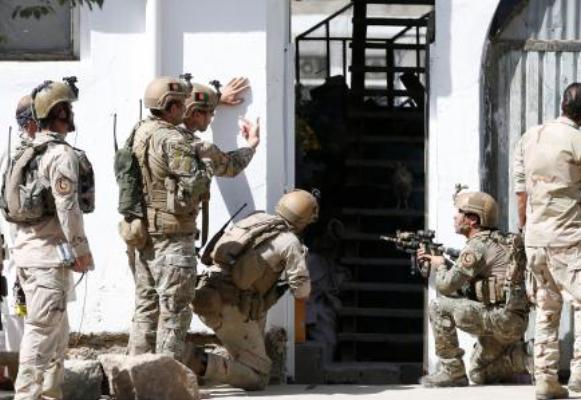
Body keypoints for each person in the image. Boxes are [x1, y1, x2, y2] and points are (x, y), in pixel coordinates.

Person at [9, 79, 94, 400]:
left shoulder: (25, 153)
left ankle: (49, 394)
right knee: (42, 333)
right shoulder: (58, 154)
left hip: (32, 255)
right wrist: (82, 250)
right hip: (48, 259)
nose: (72, 114)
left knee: (57, 334)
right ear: (59, 113)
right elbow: (68, 207)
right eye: (68, 108)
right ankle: (27, 396)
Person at [187, 189, 317, 390]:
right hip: (230, 306)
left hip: (206, 289)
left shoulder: (255, 219)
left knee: (249, 337)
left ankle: (198, 369)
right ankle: (194, 360)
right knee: (259, 377)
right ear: (304, 221)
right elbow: (301, 291)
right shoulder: (290, 242)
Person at [126, 76, 210, 362]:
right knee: (175, 312)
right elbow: (196, 183)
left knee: (145, 310)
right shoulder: (173, 139)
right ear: (171, 107)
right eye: (182, 104)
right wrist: (206, 163)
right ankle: (165, 377)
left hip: (145, 235)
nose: (185, 110)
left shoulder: (140, 131)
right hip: (173, 238)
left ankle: (134, 373)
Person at [418, 191, 530, 387]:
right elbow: (471, 288)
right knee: (478, 373)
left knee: (438, 306)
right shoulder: (502, 240)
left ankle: (451, 371)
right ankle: (521, 357)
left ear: (473, 219)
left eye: (460, 212)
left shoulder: (477, 247)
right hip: (514, 322)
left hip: (499, 318)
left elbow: (445, 287)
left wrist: (440, 265)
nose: (455, 217)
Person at [513, 82, 581, 400]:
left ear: (562, 105)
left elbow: (521, 193)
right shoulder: (577, 140)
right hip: (570, 237)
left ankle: (545, 379)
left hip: (536, 239)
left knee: (546, 307)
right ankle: (579, 375)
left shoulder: (530, 137)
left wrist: (526, 229)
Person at [179, 79, 260, 243]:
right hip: (176, 240)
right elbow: (232, 165)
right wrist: (252, 143)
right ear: (196, 114)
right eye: (210, 113)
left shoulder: (154, 131)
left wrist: (216, 99)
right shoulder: (198, 149)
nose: (211, 118)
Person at [0, 95, 39, 388]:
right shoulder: (16, 156)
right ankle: (20, 376)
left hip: (35, 249)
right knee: (19, 312)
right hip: (21, 247)